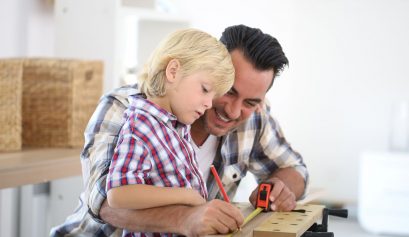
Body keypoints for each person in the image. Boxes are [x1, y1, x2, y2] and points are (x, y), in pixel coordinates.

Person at [50, 24, 308, 237]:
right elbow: (106, 203)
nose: (233, 111)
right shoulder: (124, 109)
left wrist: (281, 187)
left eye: (251, 102)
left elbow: (296, 169)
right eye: (227, 91)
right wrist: (186, 217)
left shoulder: (252, 116)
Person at [105, 28, 235, 237]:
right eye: (204, 89)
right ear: (173, 71)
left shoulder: (175, 127)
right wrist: (187, 196)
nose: (209, 103)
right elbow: (119, 194)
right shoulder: (142, 125)